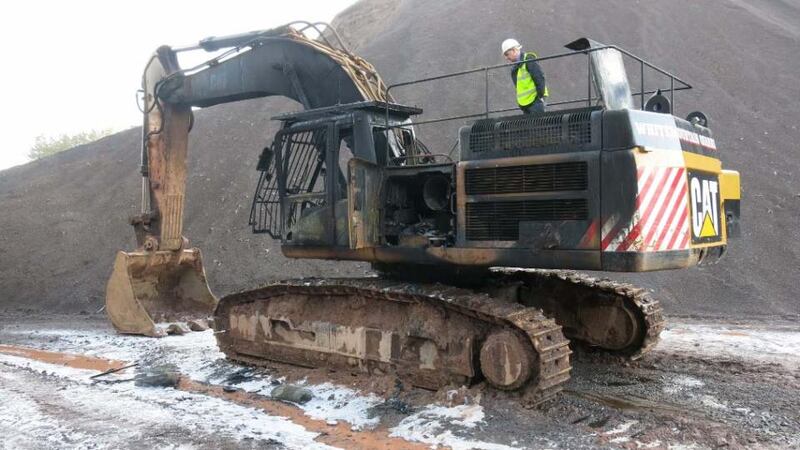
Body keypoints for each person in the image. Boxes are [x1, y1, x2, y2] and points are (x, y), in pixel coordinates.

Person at [502, 38, 548, 114]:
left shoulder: (528, 59)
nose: (506, 58)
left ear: (514, 50)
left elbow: (539, 78)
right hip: (526, 104)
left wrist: (540, 97)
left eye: (507, 54)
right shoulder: (515, 68)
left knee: (539, 124)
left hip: (535, 102)